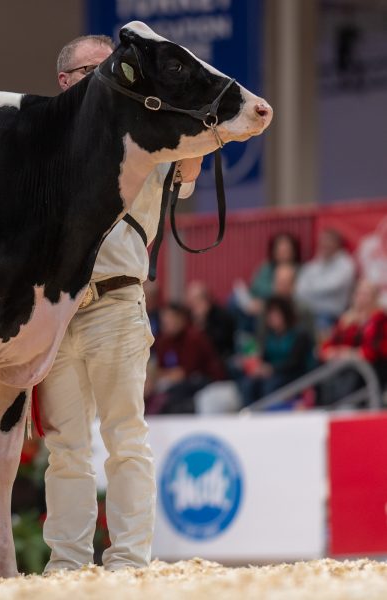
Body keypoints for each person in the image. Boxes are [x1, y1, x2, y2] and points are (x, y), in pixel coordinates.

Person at [37, 35, 203, 572]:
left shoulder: (143, 137)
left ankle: (129, 560)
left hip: (116, 301)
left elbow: (190, 168)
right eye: (94, 69)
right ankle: (67, 563)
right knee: (65, 448)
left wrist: (180, 93)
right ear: (65, 81)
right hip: (56, 311)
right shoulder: (41, 142)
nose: (109, 76)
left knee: (125, 438)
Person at [148, 303, 226, 414]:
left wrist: (164, 376)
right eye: (164, 321)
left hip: (204, 381)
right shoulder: (163, 341)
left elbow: (184, 373)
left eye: (170, 319)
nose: (166, 323)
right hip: (177, 383)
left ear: (180, 319)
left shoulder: (193, 338)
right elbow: (159, 370)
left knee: (173, 393)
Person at [319, 280, 387, 405]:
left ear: (375, 298)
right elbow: (327, 346)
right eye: (359, 294)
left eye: (366, 294)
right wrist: (333, 351)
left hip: (372, 369)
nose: (361, 299)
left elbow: (373, 351)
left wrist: (349, 353)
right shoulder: (347, 320)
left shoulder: (380, 320)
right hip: (346, 367)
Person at [238, 297, 315, 406]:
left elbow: (295, 363)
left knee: (271, 385)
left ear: (285, 314)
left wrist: (272, 369)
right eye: (270, 315)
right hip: (272, 373)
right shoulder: (269, 337)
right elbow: (265, 357)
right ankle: (248, 413)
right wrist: (257, 366)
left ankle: (270, 413)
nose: (272, 318)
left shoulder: (300, 335)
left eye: (275, 314)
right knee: (248, 384)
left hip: (292, 374)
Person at [295, 229, 356, 333]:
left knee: (319, 329)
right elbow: (299, 290)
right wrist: (316, 290)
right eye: (322, 242)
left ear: (338, 244)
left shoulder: (346, 264)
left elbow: (331, 288)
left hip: (330, 314)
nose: (324, 245)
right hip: (306, 312)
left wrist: (311, 287)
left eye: (329, 241)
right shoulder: (314, 263)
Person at [185, 280, 236, 361]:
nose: (190, 303)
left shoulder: (222, 316)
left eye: (195, 299)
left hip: (220, 358)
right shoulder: (187, 315)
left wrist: (201, 321)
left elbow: (219, 343)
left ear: (206, 299)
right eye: (189, 299)